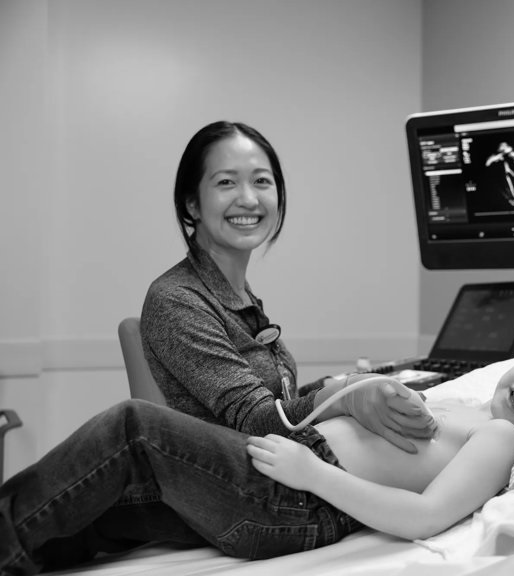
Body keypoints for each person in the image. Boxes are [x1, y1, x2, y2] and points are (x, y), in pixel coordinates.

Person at [0, 325, 514, 574]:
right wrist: (356, 391)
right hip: (286, 462)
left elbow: (424, 517)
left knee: (134, 429)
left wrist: (312, 473)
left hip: (294, 499)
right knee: (120, 507)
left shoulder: (500, 437)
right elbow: (329, 414)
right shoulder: (456, 397)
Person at [138, 121, 434, 450]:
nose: (249, 199)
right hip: (247, 486)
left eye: (261, 181)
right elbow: (257, 420)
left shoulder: (238, 296)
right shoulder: (178, 300)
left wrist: (351, 385)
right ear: (192, 203)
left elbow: (277, 400)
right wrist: (342, 395)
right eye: (226, 182)